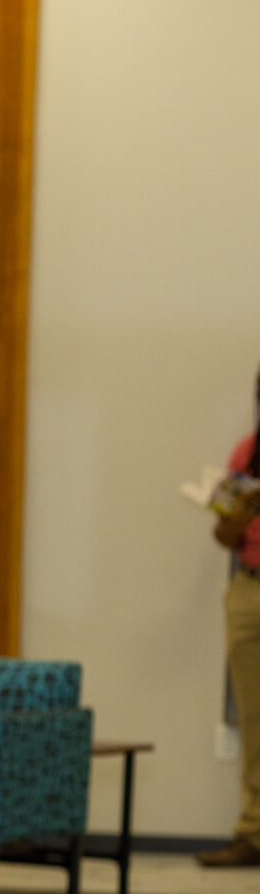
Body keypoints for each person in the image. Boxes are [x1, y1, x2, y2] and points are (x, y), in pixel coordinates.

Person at [201, 364, 260, 866]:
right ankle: (253, 831)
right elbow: (222, 537)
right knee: (254, 717)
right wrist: (239, 511)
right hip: (249, 591)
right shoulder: (247, 454)